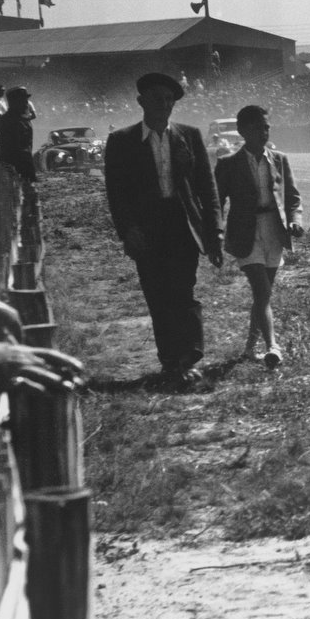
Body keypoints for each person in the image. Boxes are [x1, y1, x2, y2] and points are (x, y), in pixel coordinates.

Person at [104, 72, 223, 389]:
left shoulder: (189, 136)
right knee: (157, 296)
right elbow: (116, 193)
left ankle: (189, 357)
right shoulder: (122, 142)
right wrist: (128, 230)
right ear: (141, 101)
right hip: (147, 229)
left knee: (183, 291)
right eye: (158, 99)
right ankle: (170, 362)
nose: (164, 105)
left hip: (183, 225)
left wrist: (215, 232)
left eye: (170, 100)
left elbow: (207, 188)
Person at [215, 104, 303, 368]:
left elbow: (293, 198)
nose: (263, 132)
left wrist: (295, 221)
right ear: (242, 131)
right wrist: (216, 233)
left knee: (263, 295)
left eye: (266, 127)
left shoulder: (279, 159)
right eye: (257, 128)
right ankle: (272, 347)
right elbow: (216, 202)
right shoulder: (228, 164)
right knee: (262, 289)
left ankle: (249, 348)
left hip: (274, 231)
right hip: (245, 232)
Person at [0, 86, 36, 182]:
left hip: (23, 168)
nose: (26, 103)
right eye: (23, 100)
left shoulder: (23, 120)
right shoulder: (8, 121)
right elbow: (13, 150)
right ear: (15, 102)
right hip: (14, 170)